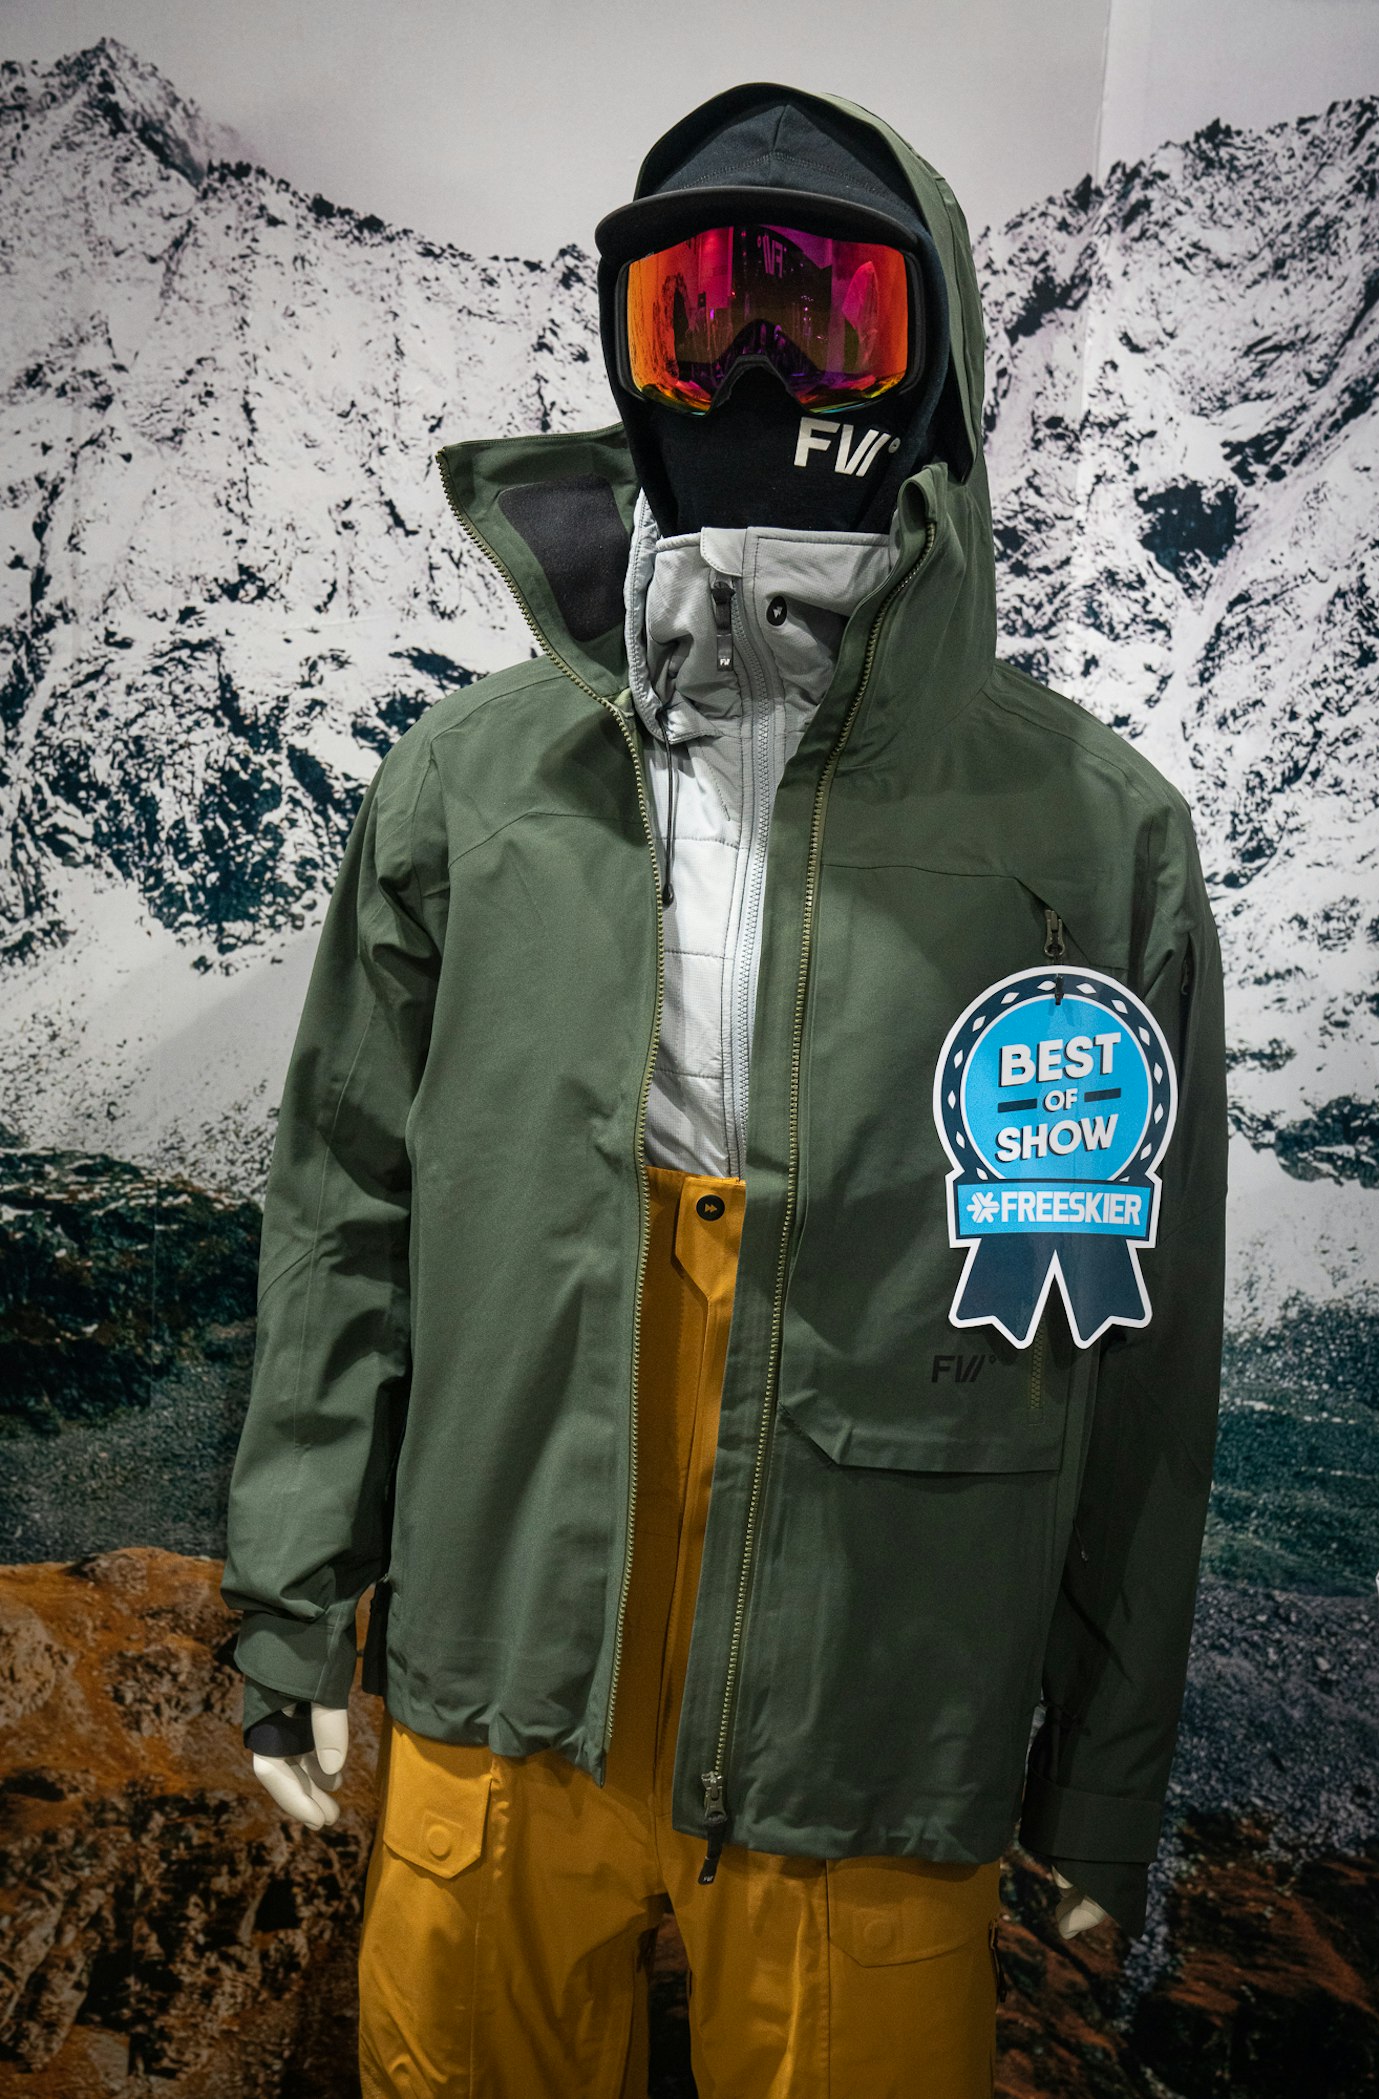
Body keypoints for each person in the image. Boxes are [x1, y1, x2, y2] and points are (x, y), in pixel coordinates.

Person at [220, 81, 1229, 2098]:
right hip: (507, 1651)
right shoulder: (476, 787)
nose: (759, 374)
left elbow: (1139, 1362)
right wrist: (292, 1602)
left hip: (875, 1711)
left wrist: (1097, 1787)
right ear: (627, 356)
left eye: (825, 320)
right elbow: (349, 1215)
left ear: (929, 361)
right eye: (703, 316)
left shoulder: (1089, 836)